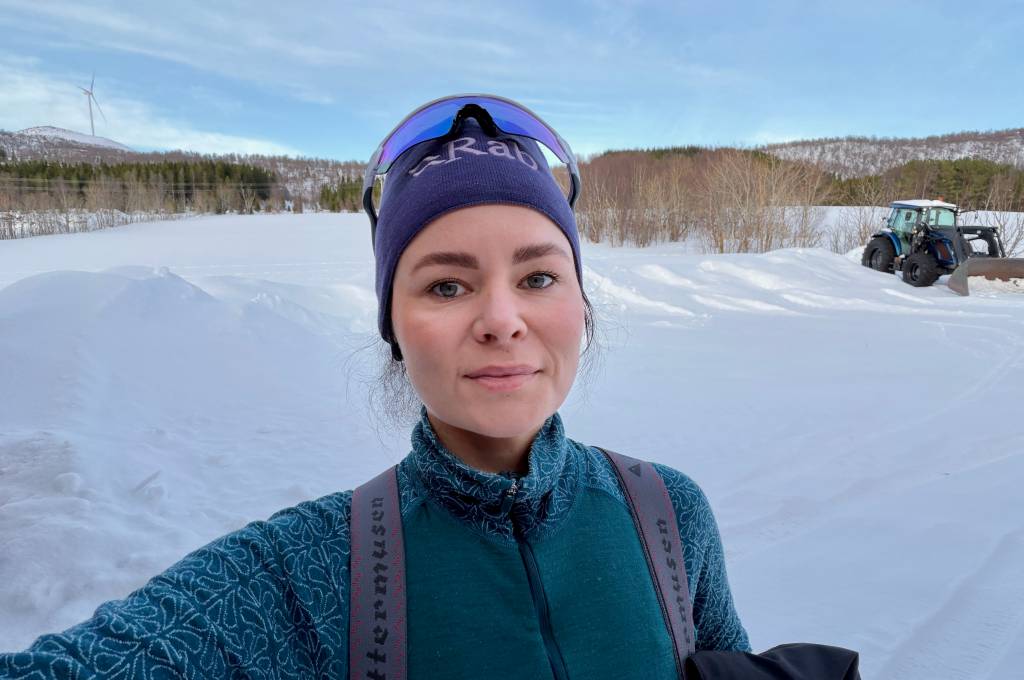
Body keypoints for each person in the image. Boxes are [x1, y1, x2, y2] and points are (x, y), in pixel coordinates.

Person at [0, 94, 749, 679]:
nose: (501, 319)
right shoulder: (311, 572)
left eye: (539, 276)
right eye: (448, 285)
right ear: (394, 324)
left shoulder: (668, 516)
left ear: (581, 305)